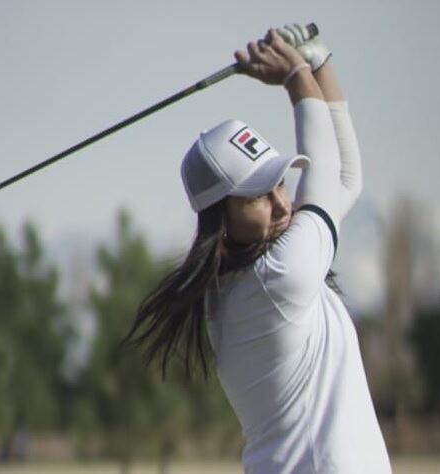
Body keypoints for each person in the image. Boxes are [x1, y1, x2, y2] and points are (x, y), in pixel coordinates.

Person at [126, 25, 391, 473]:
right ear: (220, 220)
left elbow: (346, 179)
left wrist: (318, 62)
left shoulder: (250, 278)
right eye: (257, 196)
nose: (282, 204)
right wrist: (296, 75)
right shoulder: (278, 277)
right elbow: (326, 166)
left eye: (280, 182)